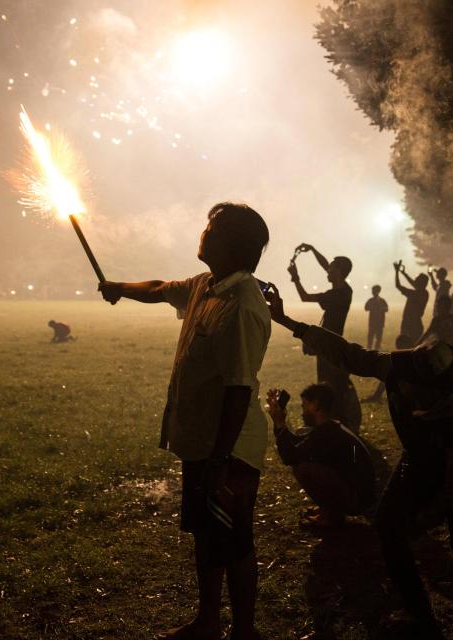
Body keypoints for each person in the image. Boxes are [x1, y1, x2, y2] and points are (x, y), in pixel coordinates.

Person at [264, 285, 453, 637]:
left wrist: (425, 518)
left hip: (450, 464)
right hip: (417, 457)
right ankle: (419, 613)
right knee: (388, 527)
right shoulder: (398, 368)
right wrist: (286, 320)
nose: (405, 391)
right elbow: (346, 352)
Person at [97, 202, 270, 640]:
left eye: (211, 227)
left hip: (228, 449)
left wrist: (221, 458)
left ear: (230, 241)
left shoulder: (243, 303)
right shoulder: (205, 286)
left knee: (235, 541)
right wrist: (120, 286)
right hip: (202, 442)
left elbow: (238, 388)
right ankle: (209, 620)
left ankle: (244, 631)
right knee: (207, 536)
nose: (204, 232)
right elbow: (160, 288)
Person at [265, 383, 376, 529]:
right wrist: (280, 422)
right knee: (302, 452)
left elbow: (290, 456)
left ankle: (330, 516)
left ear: (316, 405)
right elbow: (295, 444)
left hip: (357, 498)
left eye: (304, 406)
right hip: (357, 493)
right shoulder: (329, 428)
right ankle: (329, 509)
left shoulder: (328, 433)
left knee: (304, 468)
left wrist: (279, 423)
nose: (302, 412)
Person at [288, 244, 361, 431]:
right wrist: (312, 250)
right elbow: (326, 266)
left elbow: (304, 297)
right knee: (335, 386)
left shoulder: (334, 295)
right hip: (333, 344)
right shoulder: (345, 290)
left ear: (338, 272)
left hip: (328, 347)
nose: (327, 269)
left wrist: (295, 277)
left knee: (329, 388)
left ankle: (335, 425)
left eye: (332, 267)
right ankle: (338, 423)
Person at [423, 295, 453, 362]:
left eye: (439, 306)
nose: (437, 308)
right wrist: (415, 346)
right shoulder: (436, 320)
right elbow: (427, 334)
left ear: (447, 307)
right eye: (437, 306)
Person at [393, 261, 429, 344]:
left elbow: (398, 285)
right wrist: (404, 273)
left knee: (404, 347)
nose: (415, 280)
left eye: (417, 280)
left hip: (409, 323)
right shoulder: (425, 293)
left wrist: (397, 272)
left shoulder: (413, 294)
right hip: (417, 323)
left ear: (420, 283)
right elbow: (415, 284)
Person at [364, 284, 389, 350]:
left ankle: (375, 351)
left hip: (379, 323)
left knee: (377, 339)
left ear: (377, 291)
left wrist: (380, 308)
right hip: (374, 323)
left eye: (373, 290)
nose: (372, 292)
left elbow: (386, 309)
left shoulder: (381, 300)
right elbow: (366, 308)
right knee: (371, 339)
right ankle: (371, 351)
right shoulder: (373, 300)